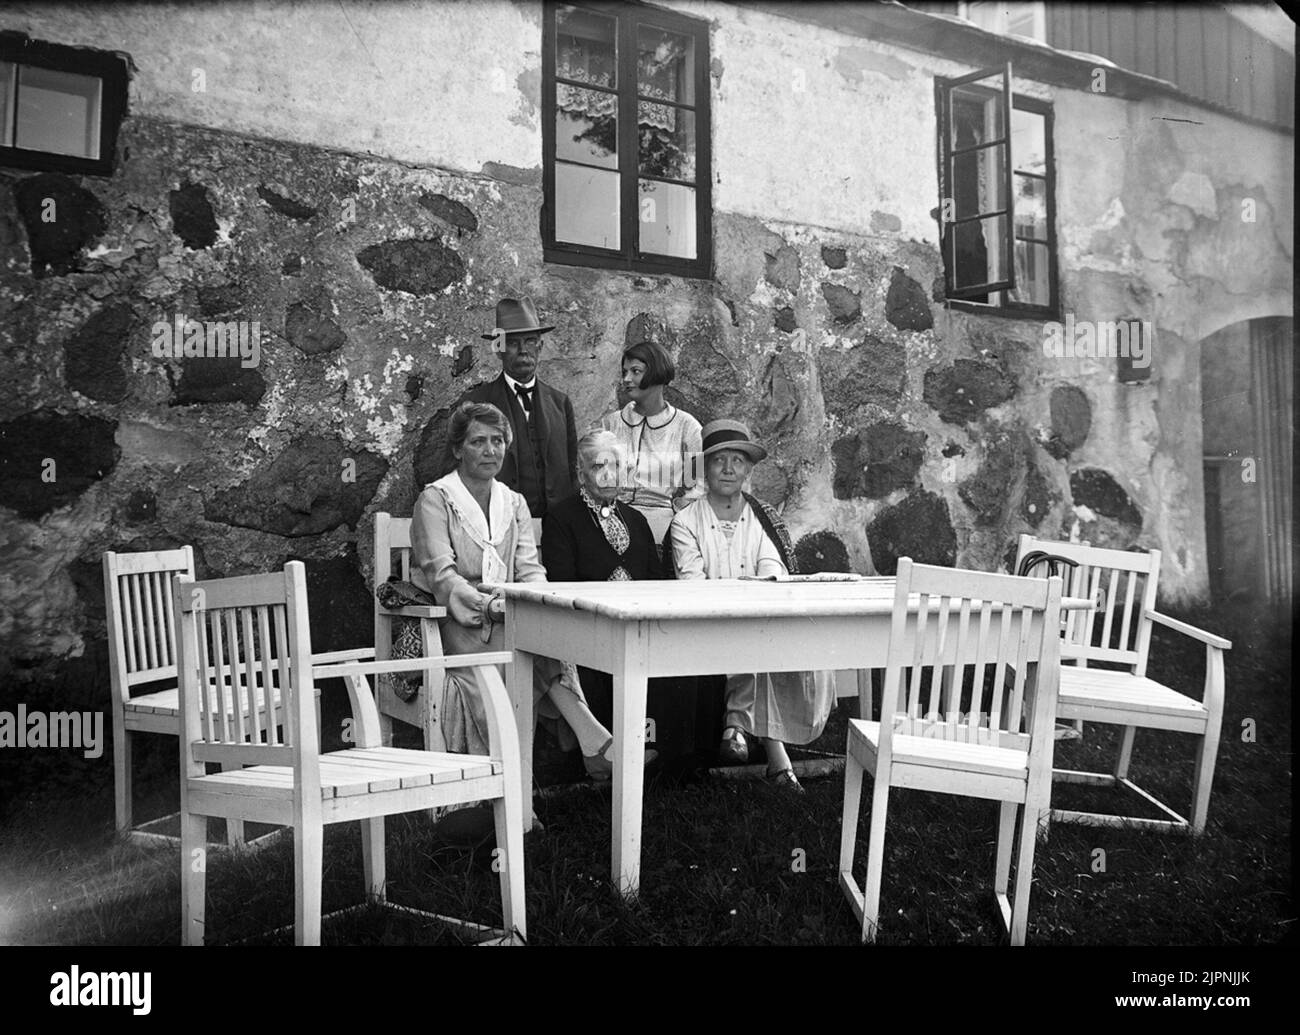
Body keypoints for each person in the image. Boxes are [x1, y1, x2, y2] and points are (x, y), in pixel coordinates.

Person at [412, 401, 653, 786]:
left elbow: (530, 571)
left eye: (497, 441)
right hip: (459, 623)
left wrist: (540, 607)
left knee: (544, 639)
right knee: (531, 648)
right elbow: (443, 576)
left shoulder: (514, 502)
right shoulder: (435, 500)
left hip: (509, 614)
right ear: (458, 449)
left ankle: (542, 784)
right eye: (478, 442)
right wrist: (487, 606)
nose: (490, 451)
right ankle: (593, 742)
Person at [669, 419, 835, 791]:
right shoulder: (686, 522)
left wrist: (754, 593)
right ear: (705, 468)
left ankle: (737, 725)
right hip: (706, 622)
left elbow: (772, 570)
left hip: (759, 617)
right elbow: (693, 583)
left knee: (772, 639)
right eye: (718, 460)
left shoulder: (762, 517)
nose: (728, 469)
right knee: (748, 638)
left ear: (747, 469)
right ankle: (770, 754)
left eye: (737, 461)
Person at [440, 297, 577, 522]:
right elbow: (452, 471)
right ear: (499, 350)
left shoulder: (560, 404)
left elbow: (573, 473)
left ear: (540, 346)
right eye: (513, 343)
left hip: (556, 531)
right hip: (497, 527)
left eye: (531, 341)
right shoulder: (475, 403)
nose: (523, 350)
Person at [598, 339, 705, 545]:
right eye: (624, 372)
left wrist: (678, 515)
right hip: (614, 523)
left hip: (662, 526)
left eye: (635, 371)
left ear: (656, 373)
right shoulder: (611, 424)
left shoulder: (686, 427)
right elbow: (600, 479)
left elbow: (697, 484)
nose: (627, 379)